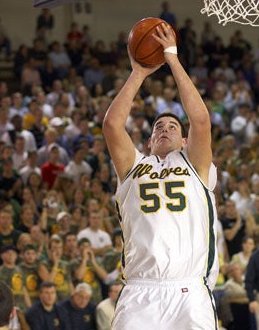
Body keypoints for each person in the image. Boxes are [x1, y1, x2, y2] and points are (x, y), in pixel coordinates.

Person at [102, 22, 218, 329]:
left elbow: (201, 120)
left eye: (172, 127)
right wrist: (138, 72)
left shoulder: (195, 163)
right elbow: (112, 126)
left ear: (184, 141)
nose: (164, 128)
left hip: (189, 290)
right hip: (140, 290)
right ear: (150, 141)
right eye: (158, 127)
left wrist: (171, 59)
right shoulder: (134, 166)